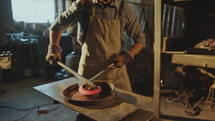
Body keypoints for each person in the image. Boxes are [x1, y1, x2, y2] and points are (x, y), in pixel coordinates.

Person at [46, 0, 146, 93]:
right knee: (88, 108)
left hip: (117, 73)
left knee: (126, 106)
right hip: (89, 73)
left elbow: (140, 40)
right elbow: (58, 25)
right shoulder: (83, 5)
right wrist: (53, 48)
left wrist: (125, 57)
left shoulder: (123, 8)